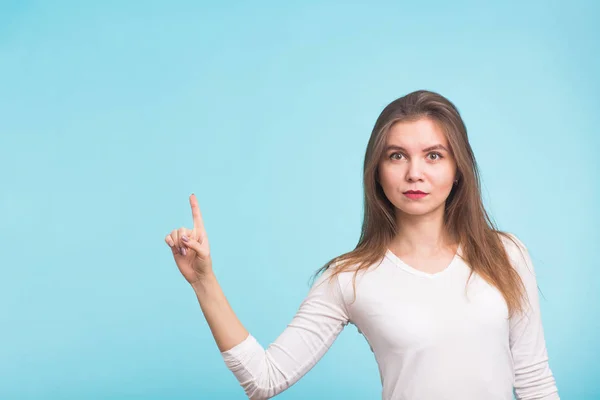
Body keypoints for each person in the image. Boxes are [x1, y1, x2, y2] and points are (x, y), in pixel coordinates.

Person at [164, 90, 559, 400]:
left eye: (434, 156)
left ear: (458, 171)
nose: (414, 173)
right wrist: (204, 282)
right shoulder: (350, 278)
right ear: (377, 172)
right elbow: (264, 379)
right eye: (397, 156)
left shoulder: (505, 254)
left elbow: (535, 382)